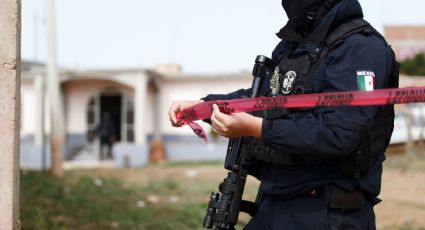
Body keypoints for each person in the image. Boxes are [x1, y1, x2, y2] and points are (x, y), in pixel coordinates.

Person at [169, 0, 398, 229]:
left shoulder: (360, 47)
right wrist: (203, 106)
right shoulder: (294, 45)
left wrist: (255, 128)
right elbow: (260, 99)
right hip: (275, 204)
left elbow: (339, 133)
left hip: (327, 211)